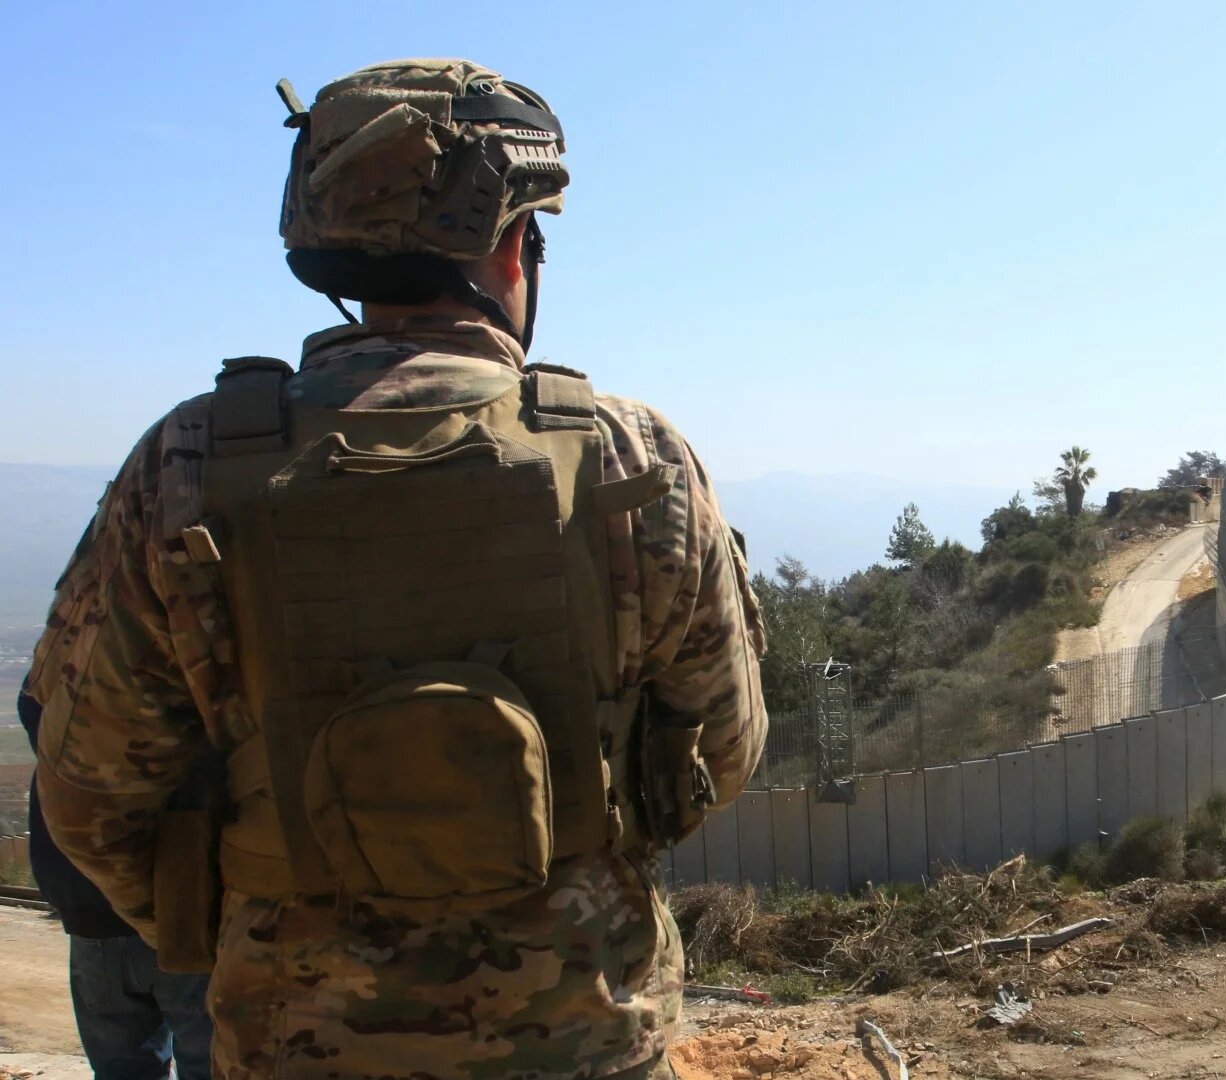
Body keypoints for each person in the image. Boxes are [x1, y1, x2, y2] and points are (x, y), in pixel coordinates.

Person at [26, 58, 766, 1079]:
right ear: (515, 245)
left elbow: (90, 795)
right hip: (586, 1031)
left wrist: (265, 908)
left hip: (295, 1038)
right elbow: (720, 754)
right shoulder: (633, 460)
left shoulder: (188, 464)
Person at [18, 682, 214, 1080]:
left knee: (122, 1067)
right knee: (211, 1064)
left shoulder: (63, 678)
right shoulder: (184, 673)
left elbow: (33, 708)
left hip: (93, 908)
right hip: (184, 909)